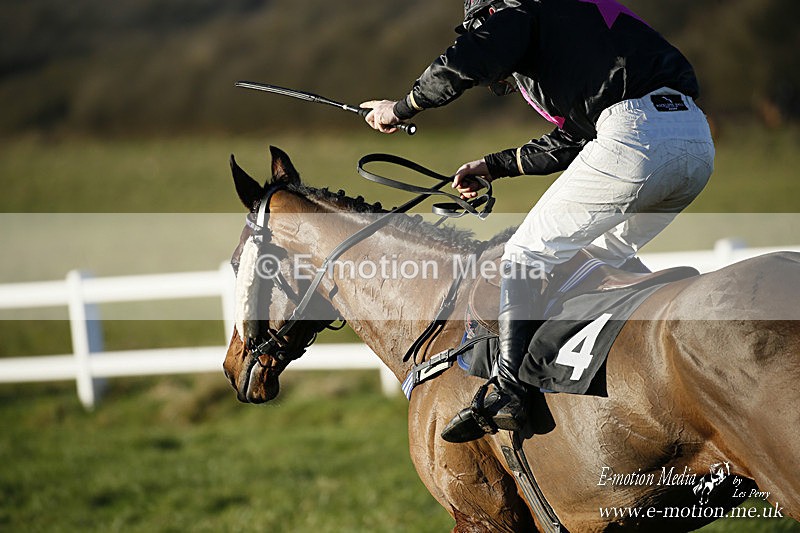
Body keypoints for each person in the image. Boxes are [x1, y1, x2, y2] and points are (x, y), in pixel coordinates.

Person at [361, 0, 715, 443]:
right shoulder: (576, 25)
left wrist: (403, 106)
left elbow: (469, 57)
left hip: (635, 138)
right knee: (597, 259)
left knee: (524, 255)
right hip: (696, 141)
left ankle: (509, 391)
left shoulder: (517, 11)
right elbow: (573, 138)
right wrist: (493, 165)